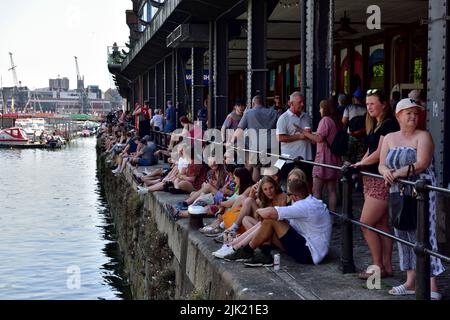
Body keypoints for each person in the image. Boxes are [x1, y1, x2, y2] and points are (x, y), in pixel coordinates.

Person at [379, 98, 444, 299]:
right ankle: (410, 281)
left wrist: (398, 173)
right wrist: (385, 172)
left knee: (425, 233)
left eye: (416, 113)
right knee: (402, 232)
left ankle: (432, 284)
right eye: (409, 113)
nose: (413, 117)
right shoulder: (389, 137)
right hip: (398, 192)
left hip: (421, 193)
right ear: (398, 115)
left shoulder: (423, 136)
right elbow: (381, 163)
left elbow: (422, 163)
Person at [224, 179, 331, 267]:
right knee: (270, 221)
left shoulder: (304, 206)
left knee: (271, 219)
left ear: (294, 196)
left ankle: (247, 250)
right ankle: (259, 253)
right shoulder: (310, 202)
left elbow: (271, 213)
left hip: (310, 253)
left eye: (289, 194)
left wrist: (258, 211)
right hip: (308, 245)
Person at [352, 89, 399, 280]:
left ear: (383, 104)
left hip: (381, 179)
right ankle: (386, 266)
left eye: (372, 103)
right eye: (367, 104)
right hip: (371, 177)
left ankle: (378, 265)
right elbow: (371, 149)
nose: (369, 107)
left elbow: (380, 152)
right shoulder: (376, 124)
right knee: (381, 224)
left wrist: (362, 163)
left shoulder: (388, 125)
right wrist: (360, 163)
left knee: (365, 223)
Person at [302, 100, 341, 213]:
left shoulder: (325, 120)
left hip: (323, 159)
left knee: (317, 190)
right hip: (333, 159)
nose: (319, 110)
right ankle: (333, 216)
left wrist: (305, 133)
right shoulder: (336, 121)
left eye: (320, 108)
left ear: (325, 109)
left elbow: (319, 138)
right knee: (332, 190)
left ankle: (319, 216)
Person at [232, 95, 278, 181]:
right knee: (269, 169)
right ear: (263, 103)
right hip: (271, 146)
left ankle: (257, 189)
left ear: (253, 103)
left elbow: (239, 130)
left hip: (256, 146)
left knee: (256, 168)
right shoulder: (274, 112)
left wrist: (230, 142)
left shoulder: (248, 113)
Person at [276, 91, 313, 184]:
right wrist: (299, 136)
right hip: (290, 159)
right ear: (291, 103)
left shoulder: (307, 116)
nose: (303, 104)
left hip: (307, 157)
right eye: (299, 102)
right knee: (291, 187)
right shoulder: (283, 118)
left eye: (303, 101)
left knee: (307, 185)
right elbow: (280, 138)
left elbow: (310, 135)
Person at [342, 89, 367, 165]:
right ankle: (357, 174)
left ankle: (347, 174)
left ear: (354, 98)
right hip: (362, 136)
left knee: (347, 157)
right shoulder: (366, 109)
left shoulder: (348, 108)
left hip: (351, 136)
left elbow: (344, 121)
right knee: (360, 157)